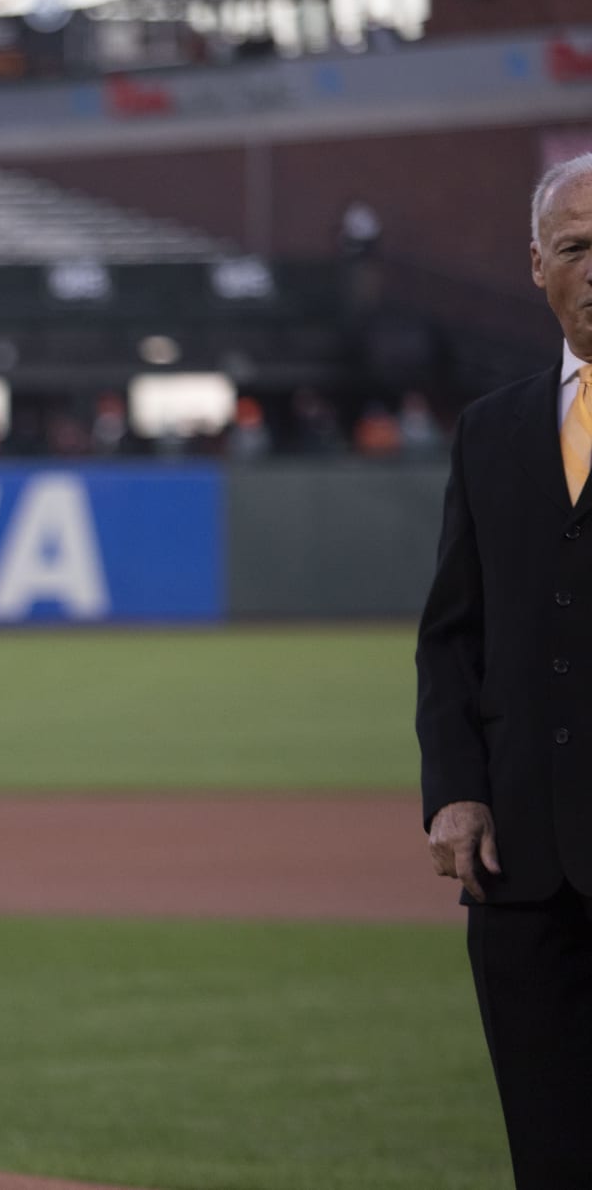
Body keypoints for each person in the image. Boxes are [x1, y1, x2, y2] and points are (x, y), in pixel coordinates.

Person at [416, 152, 592, 1189]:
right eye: (575, 248)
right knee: (550, 1157)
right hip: (521, 873)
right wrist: (456, 793)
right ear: (537, 267)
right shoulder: (492, 431)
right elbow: (452, 636)